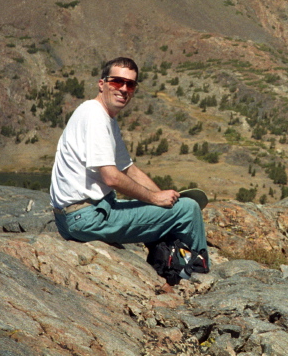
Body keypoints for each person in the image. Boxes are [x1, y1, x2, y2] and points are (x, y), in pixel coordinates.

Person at [50, 56, 208, 282]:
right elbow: (111, 177)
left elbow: (128, 169)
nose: (123, 89)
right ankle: (197, 273)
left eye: (130, 84)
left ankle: (167, 266)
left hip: (79, 215)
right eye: (117, 82)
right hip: (86, 217)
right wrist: (155, 199)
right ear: (102, 83)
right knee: (189, 209)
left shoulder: (102, 117)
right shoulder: (95, 116)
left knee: (174, 208)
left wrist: (166, 198)